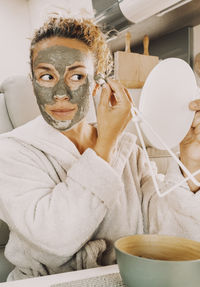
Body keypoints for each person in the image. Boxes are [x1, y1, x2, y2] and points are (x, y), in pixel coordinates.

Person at [0, 17, 200, 281]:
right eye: (46, 76)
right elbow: (53, 239)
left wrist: (192, 162)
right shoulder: (11, 152)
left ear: (98, 83)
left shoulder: (131, 152)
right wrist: (106, 143)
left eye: (77, 76)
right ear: (34, 82)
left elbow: (174, 239)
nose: (61, 93)